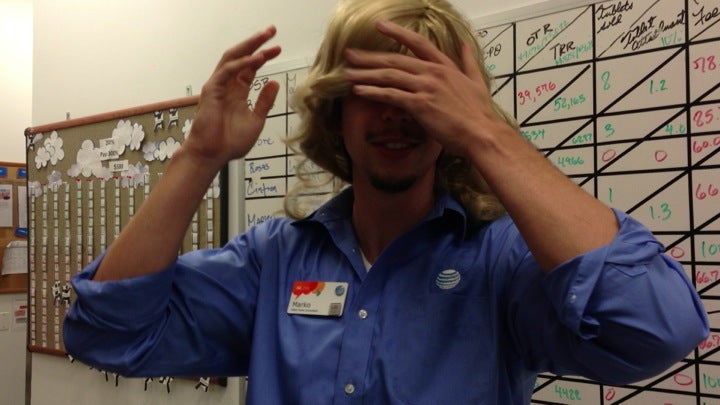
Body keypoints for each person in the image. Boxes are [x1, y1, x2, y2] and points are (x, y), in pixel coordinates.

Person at [63, 0, 709, 403]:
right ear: (336, 113)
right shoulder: (273, 261)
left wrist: (488, 133)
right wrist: (197, 156)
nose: (396, 116)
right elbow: (105, 331)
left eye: (421, 96)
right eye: (374, 90)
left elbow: (657, 330)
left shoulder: (502, 262)